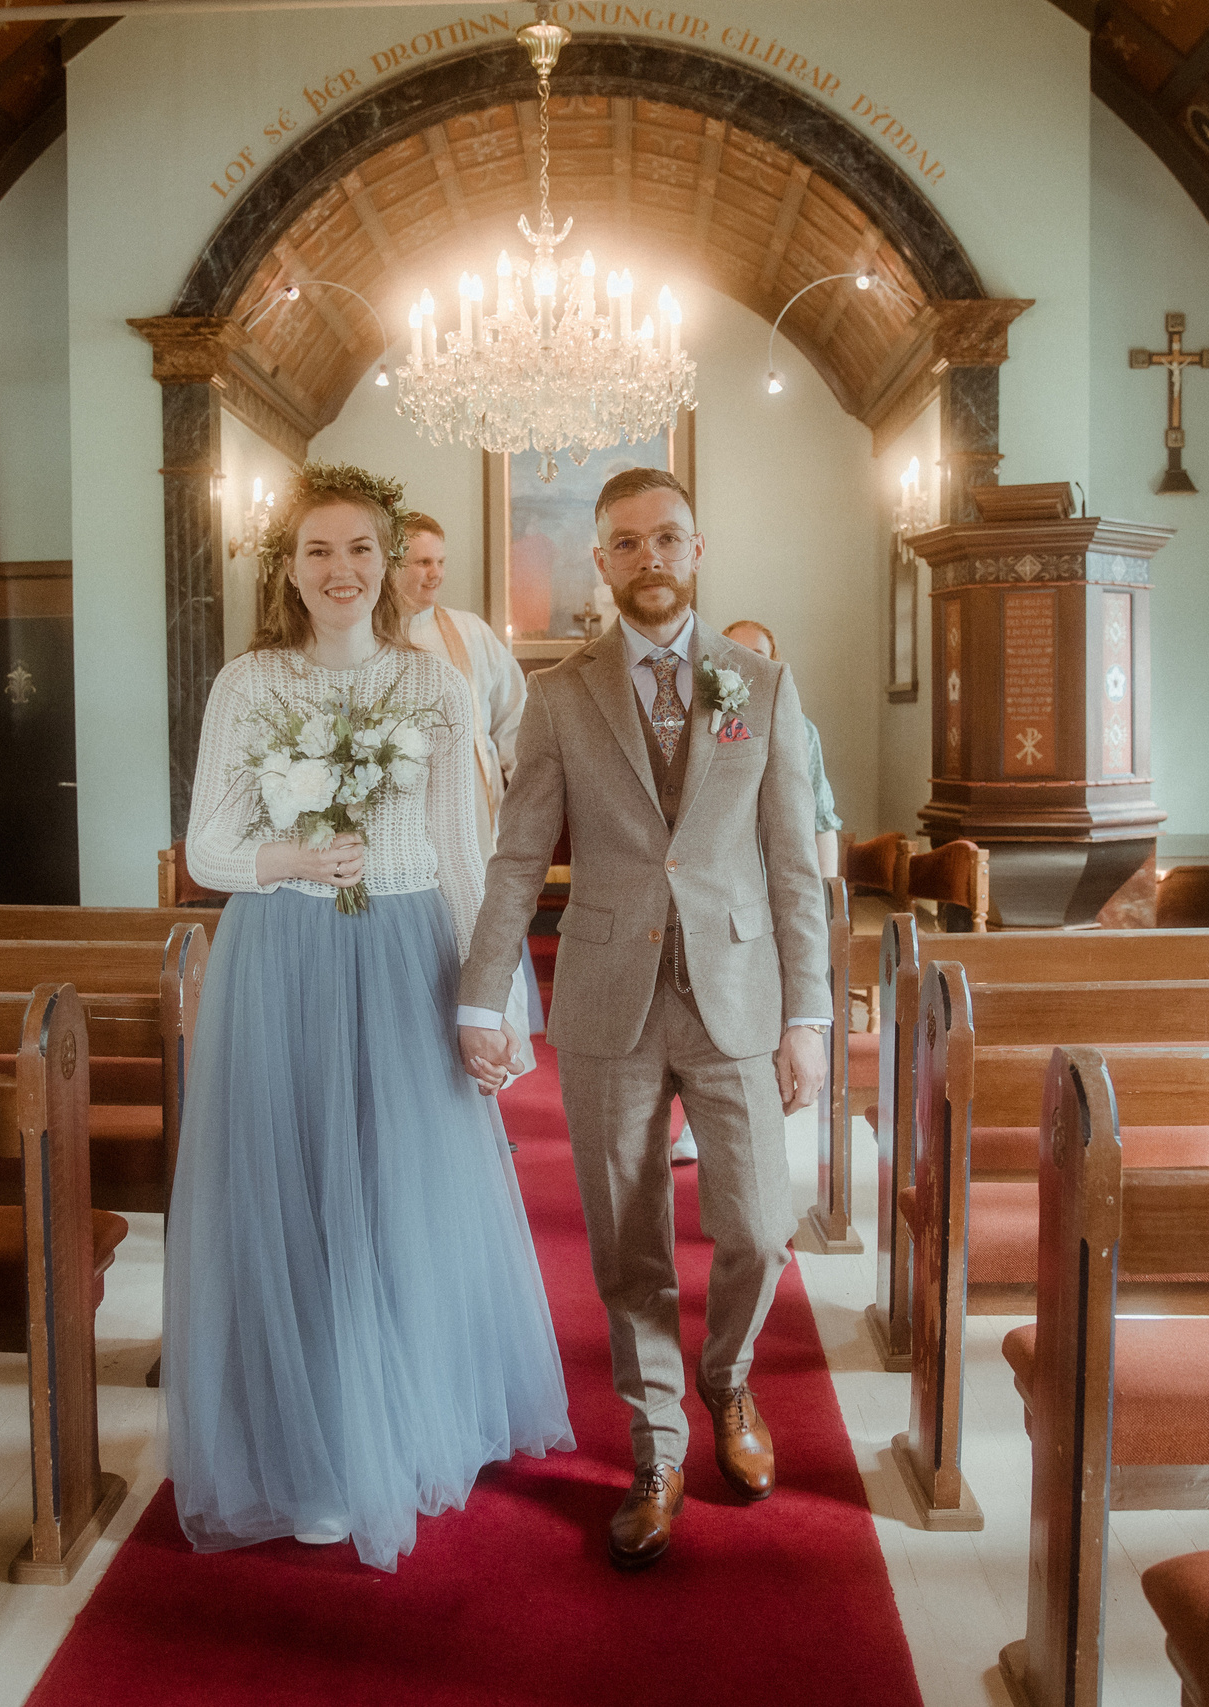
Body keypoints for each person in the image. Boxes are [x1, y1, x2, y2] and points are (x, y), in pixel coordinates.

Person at [167, 462, 572, 1572]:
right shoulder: (248, 685)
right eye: (317, 551)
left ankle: (394, 1426)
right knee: (296, 1200)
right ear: (287, 569)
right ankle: (307, 1454)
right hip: (282, 958)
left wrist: (488, 999)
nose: (340, 570)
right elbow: (206, 850)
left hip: (405, 955)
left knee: (399, 1197)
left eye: (359, 549)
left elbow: (460, 854)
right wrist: (291, 856)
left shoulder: (436, 687)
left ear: (389, 562)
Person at [453, 467, 830, 1570]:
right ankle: (657, 1444)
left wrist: (808, 1015)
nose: (648, 558)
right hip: (609, 999)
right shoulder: (562, 695)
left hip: (738, 998)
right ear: (602, 563)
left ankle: (727, 1378)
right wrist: (486, 991)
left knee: (758, 1227)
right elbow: (520, 853)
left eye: (667, 538)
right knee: (627, 1247)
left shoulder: (760, 685)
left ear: (697, 550)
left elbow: (791, 868)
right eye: (626, 543)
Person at [395, 511, 543, 1071]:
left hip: (475, 813)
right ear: (392, 565)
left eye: (439, 562)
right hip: (405, 816)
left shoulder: (470, 631)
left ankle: (496, 1064)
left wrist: (525, 786)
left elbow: (514, 717)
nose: (434, 575)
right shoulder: (371, 632)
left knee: (482, 926)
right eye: (420, 562)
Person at [722, 620, 843, 879]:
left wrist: (826, 904)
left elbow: (821, 822)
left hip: (782, 876)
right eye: (736, 654)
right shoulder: (704, 726)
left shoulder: (801, 730)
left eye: (757, 656)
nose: (746, 665)